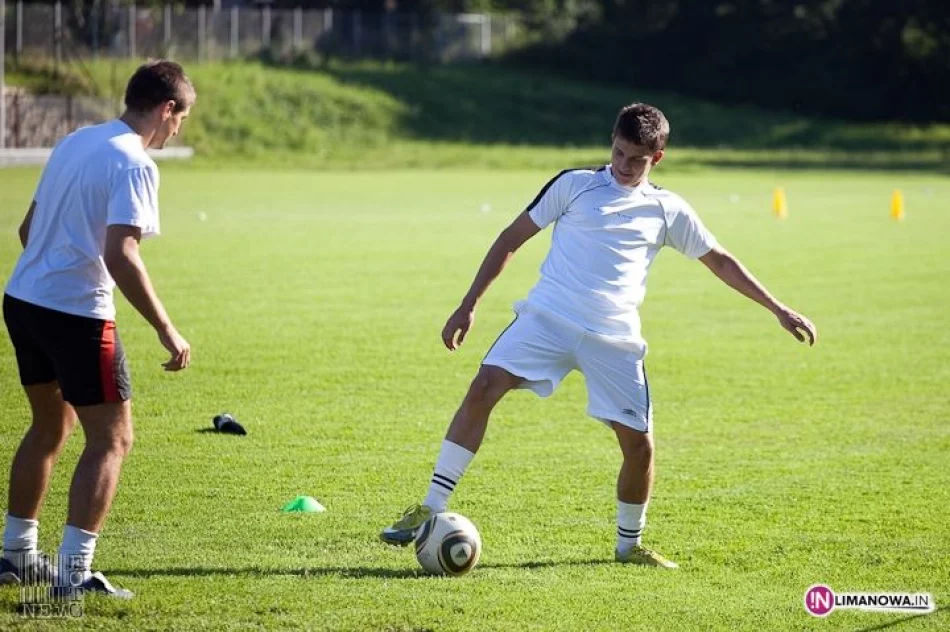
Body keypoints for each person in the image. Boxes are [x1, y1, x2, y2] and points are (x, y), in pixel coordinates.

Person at [380, 103, 817, 568]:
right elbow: (511, 238)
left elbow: (720, 261)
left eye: (636, 159)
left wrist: (777, 307)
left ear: (658, 157)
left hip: (614, 337)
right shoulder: (574, 185)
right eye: (618, 152)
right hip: (547, 318)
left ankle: (629, 548)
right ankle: (430, 505)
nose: (624, 166)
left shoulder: (667, 209)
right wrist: (468, 305)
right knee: (483, 388)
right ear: (611, 141)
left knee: (640, 446)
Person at [0, 60, 196, 597]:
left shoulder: (76, 141)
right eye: (181, 119)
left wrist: (52, 273)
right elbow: (121, 255)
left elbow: (26, 228)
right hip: (75, 316)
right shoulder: (134, 162)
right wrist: (166, 327)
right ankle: (73, 575)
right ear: (166, 108)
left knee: (49, 428)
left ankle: (15, 555)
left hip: (23, 299)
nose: (178, 130)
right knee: (112, 439)